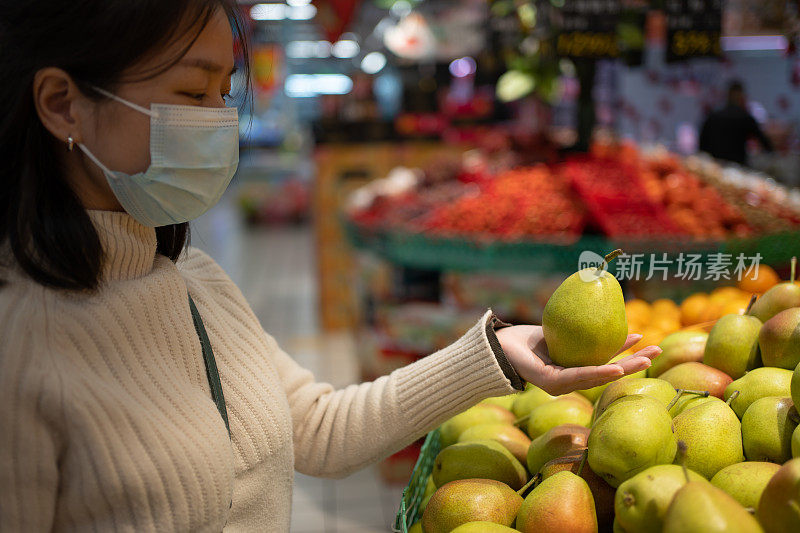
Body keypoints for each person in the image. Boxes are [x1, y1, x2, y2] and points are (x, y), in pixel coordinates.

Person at [0, 2, 660, 531]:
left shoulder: (198, 283)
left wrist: (497, 354)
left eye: (224, 92)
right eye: (192, 91)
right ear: (63, 104)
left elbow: (318, 428)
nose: (220, 120)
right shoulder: (19, 352)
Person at [699, 80, 774, 166]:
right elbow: (765, 143)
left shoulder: (712, 117)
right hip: (737, 169)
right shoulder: (745, 117)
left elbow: (702, 147)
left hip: (716, 169)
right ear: (742, 97)